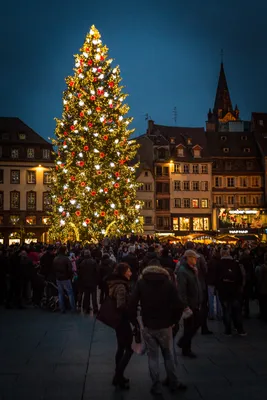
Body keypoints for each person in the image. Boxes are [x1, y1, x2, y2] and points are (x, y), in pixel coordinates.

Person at [129, 264, 186, 397]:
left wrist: (135, 322)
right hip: (165, 325)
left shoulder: (141, 283)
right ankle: (174, 382)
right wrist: (174, 321)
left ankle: (156, 385)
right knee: (168, 355)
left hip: (148, 325)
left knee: (152, 356)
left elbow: (132, 303)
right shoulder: (168, 283)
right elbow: (179, 304)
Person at [106, 263, 135, 389]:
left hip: (118, 321)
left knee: (121, 348)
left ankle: (118, 375)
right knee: (129, 349)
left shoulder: (114, 283)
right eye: (129, 271)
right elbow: (121, 305)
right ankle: (118, 376)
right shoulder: (122, 286)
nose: (131, 273)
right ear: (123, 272)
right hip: (122, 321)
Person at [176, 250, 203, 358]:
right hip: (190, 303)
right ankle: (185, 346)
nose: (196, 259)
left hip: (194, 302)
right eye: (194, 258)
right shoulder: (183, 271)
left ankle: (184, 345)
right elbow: (182, 290)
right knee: (191, 325)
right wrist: (185, 306)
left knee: (194, 324)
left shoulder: (192, 270)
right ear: (188, 258)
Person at [216, 248, 247, 336]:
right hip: (235, 291)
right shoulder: (235, 263)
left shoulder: (219, 264)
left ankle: (228, 330)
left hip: (224, 291)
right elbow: (241, 277)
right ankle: (240, 329)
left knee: (226, 310)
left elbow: (216, 278)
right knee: (237, 311)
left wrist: (218, 288)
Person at [53, 246, 76, 313]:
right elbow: (70, 269)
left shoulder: (55, 258)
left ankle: (62, 308)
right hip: (66, 278)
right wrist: (69, 276)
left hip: (58, 278)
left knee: (60, 293)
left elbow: (53, 268)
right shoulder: (66, 259)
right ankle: (73, 308)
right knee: (70, 293)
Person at [78, 249, 99, 314]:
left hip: (85, 281)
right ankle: (95, 308)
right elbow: (97, 272)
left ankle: (86, 308)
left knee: (86, 295)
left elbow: (80, 273)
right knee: (94, 296)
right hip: (93, 281)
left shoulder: (82, 263)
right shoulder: (94, 262)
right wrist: (97, 280)